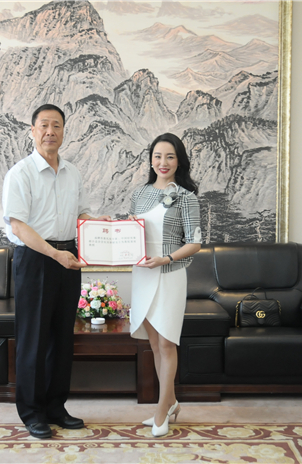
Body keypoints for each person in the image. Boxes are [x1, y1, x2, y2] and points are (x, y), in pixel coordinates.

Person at [2, 104, 110, 439]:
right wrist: (54, 254)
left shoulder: (72, 172)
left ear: (64, 132)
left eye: (57, 125)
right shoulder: (20, 173)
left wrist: (100, 225)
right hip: (36, 259)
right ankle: (32, 412)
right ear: (32, 131)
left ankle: (55, 407)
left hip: (68, 257)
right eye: (44, 125)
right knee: (33, 339)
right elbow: (18, 226)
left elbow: (81, 214)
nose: (51, 131)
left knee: (62, 338)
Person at [128, 133, 202, 437]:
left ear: (179, 161)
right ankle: (170, 404)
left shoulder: (186, 197)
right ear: (150, 160)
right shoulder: (140, 193)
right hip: (142, 274)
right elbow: (131, 233)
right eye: (158, 156)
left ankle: (162, 411)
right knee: (154, 344)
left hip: (170, 273)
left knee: (167, 342)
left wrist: (166, 258)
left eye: (170, 156)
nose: (163, 162)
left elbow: (195, 242)